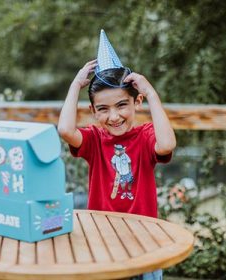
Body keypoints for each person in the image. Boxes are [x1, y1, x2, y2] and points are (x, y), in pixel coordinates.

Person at [57, 31, 176, 280]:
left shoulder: (145, 137)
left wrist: (152, 93)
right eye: (103, 109)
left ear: (137, 102)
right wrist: (75, 85)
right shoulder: (95, 140)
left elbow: (165, 145)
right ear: (93, 111)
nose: (113, 116)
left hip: (143, 240)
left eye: (122, 105)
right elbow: (66, 130)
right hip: (103, 240)